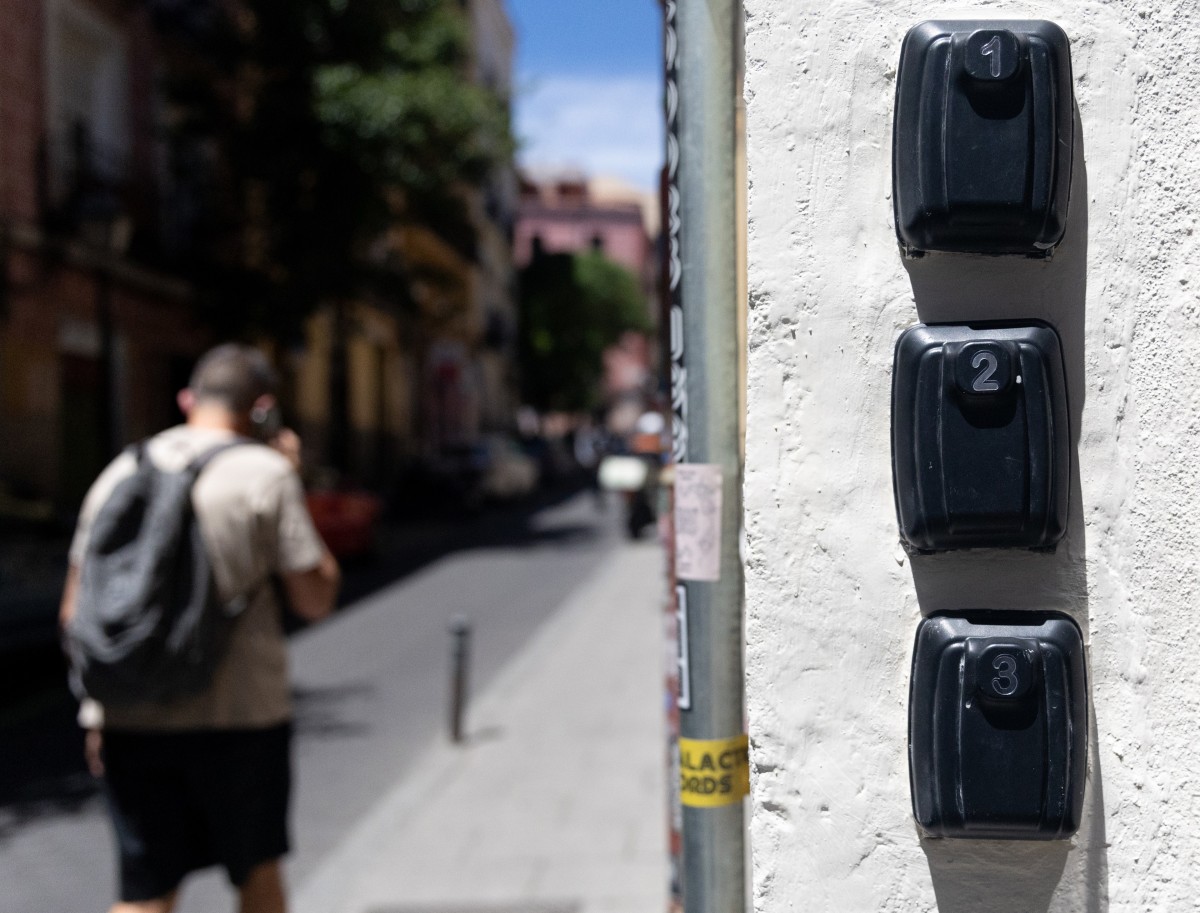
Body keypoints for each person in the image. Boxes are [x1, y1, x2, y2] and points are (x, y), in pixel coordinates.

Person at [59, 344, 341, 913]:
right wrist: (291, 475)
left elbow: (74, 613)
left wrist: (98, 711)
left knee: (144, 890)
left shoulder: (121, 470)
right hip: (239, 718)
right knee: (257, 876)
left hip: (130, 718)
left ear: (187, 400)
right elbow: (315, 599)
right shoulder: (263, 474)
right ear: (262, 409)